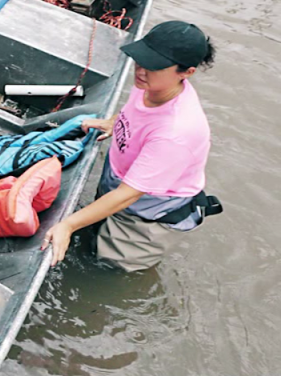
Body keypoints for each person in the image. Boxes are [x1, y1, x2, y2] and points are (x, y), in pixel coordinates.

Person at [44, 21, 217, 272]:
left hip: (145, 217)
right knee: (90, 236)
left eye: (154, 66)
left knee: (106, 269)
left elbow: (129, 194)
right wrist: (114, 122)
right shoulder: (152, 87)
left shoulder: (177, 131)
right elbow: (139, 113)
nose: (141, 70)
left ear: (186, 72)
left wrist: (67, 225)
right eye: (141, 60)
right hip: (120, 185)